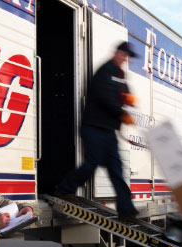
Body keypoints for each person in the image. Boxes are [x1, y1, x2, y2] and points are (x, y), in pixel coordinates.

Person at [56, 41, 139, 220]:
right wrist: (122, 113)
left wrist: (129, 99)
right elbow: (105, 97)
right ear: (117, 53)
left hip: (109, 130)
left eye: (128, 57)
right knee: (92, 162)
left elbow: (123, 93)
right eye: (124, 55)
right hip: (93, 127)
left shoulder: (120, 74)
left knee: (116, 169)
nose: (125, 59)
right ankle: (64, 190)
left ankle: (126, 210)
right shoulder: (105, 71)